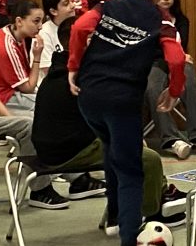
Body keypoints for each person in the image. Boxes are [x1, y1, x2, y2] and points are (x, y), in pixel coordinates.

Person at [69, 0, 186, 246]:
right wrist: (174, 91)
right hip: (121, 101)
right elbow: (176, 60)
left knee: (111, 151)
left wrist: (74, 67)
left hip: (89, 97)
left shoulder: (108, 6)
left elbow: (79, 28)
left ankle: (115, 218)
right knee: (131, 170)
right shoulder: (161, 20)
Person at [34, 18, 184, 233]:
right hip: (69, 150)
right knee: (148, 158)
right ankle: (152, 213)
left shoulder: (62, 67)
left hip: (54, 145)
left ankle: (134, 205)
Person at [0, 9, 102, 209]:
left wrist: (10, 122)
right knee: (32, 123)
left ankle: (75, 178)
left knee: (32, 123)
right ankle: (41, 189)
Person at [145, 0, 196, 159]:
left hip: (178, 61)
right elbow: (152, 48)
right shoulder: (148, 19)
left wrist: (180, 56)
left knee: (189, 79)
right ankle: (171, 139)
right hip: (155, 62)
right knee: (152, 86)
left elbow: (182, 45)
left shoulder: (182, 21)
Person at [0, 0, 44, 113]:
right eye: (36, 21)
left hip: (15, 91)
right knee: (47, 107)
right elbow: (28, 88)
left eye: (41, 21)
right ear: (19, 21)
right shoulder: (7, 46)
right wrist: (37, 57)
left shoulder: (15, 33)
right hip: (2, 98)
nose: (40, 26)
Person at [35, 0, 75, 86]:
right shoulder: (44, 33)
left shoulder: (78, 26)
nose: (73, 5)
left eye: (72, 0)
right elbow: (48, 70)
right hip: (53, 83)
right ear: (53, 11)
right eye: (66, 3)